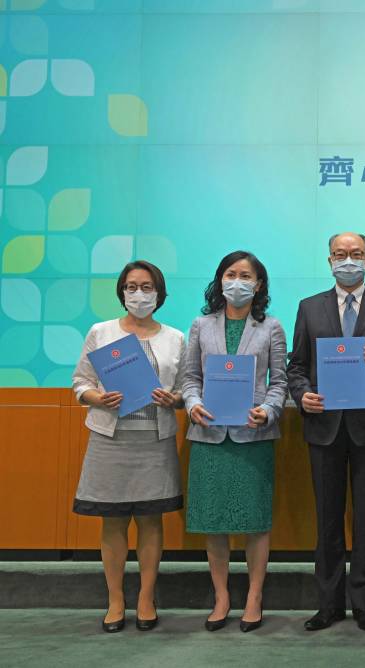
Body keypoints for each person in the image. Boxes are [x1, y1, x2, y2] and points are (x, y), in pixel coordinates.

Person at [286, 232, 365, 633]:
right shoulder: (309, 308)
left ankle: (364, 604)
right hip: (324, 427)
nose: (348, 261)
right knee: (327, 521)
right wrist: (302, 395)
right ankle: (329, 604)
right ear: (329, 260)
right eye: (341, 255)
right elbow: (297, 366)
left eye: (356, 254)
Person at [71, 260, 186, 633]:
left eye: (147, 286)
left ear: (159, 292)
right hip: (111, 439)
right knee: (113, 519)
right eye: (132, 286)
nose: (139, 294)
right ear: (121, 291)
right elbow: (79, 382)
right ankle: (116, 600)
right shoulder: (101, 332)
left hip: (155, 440)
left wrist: (175, 399)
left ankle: (146, 599)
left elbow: (186, 389)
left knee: (151, 520)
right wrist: (96, 398)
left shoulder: (175, 337)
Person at [182, 251, 287, 633]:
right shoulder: (200, 325)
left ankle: (255, 596)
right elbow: (190, 377)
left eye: (246, 275)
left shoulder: (271, 327)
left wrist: (269, 410)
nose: (237, 281)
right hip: (209, 435)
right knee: (215, 522)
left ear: (259, 285)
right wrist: (192, 404)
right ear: (220, 279)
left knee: (255, 521)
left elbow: (280, 382)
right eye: (231, 273)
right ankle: (222, 596)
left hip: (253, 434)